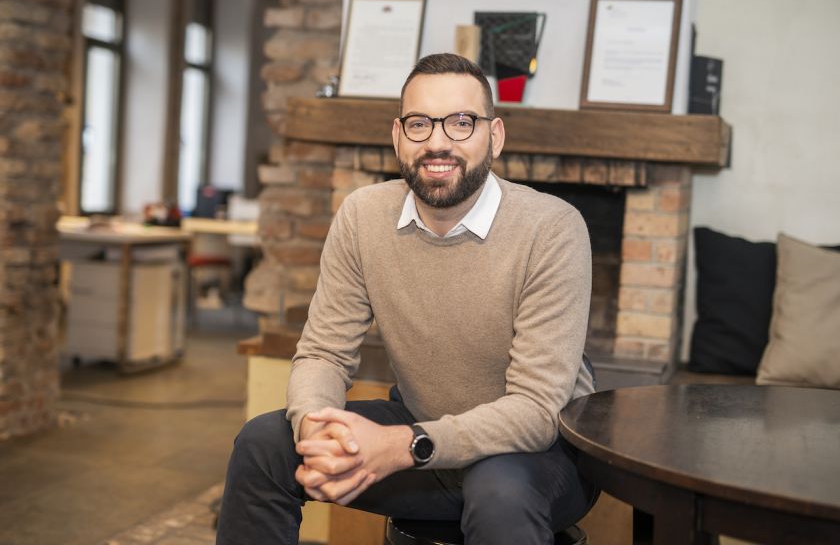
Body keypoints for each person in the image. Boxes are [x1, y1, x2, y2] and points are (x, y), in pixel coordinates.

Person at [216, 53, 598, 545]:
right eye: (420, 124)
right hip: (423, 433)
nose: (438, 142)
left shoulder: (552, 228)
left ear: (495, 136)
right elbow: (324, 353)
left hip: (539, 455)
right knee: (262, 446)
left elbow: (536, 410)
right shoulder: (362, 216)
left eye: (462, 122)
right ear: (397, 136)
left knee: (497, 490)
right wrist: (315, 430)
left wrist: (403, 444)